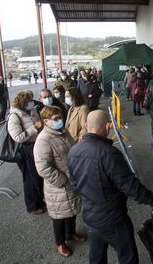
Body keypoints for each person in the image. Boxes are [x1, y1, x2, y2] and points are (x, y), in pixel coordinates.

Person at [68, 110, 153, 264]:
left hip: (90, 216)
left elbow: (74, 184)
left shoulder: (73, 151)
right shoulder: (109, 153)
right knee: (127, 256)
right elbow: (130, 185)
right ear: (107, 127)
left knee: (97, 256)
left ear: (86, 126)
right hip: (113, 218)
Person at [33, 106, 86, 257]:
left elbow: (72, 148)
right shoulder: (43, 140)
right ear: (46, 122)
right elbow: (43, 168)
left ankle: (71, 233)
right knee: (59, 215)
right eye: (55, 119)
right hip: (59, 185)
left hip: (72, 179)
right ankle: (59, 242)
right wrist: (63, 180)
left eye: (60, 117)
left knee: (72, 209)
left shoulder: (63, 131)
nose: (59, 120)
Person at [8, 91, 45, 215]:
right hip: (25, 150)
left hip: (34, 146)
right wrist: (34, 128)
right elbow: (17, 137)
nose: (31, 102)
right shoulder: (14, 116)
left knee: (38, 176)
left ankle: (39, 200)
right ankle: (32, 206)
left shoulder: (27, 111)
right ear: (23, 101)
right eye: (29, 100)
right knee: (29, 179)